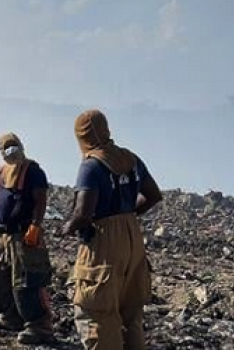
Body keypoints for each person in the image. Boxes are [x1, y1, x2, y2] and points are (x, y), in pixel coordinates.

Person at [61, 109, 163, 350]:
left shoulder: (91, 166)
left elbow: (84, 213)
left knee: (97, 311)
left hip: (104, 240)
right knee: (130, 310)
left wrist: (66, 227)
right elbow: (153, 195)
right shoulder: (131, 159)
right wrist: (127, 216)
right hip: (132, 239)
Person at [0, 133, 55, 344]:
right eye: (7, 149)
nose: (11, 152)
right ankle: (11, 318)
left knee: (27, 281)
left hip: (24, 236)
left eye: (14, 147)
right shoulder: (3, 171)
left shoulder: (33, 171)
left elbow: (40, 200)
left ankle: (40, 326)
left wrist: (35, 226)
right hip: (2, 236)